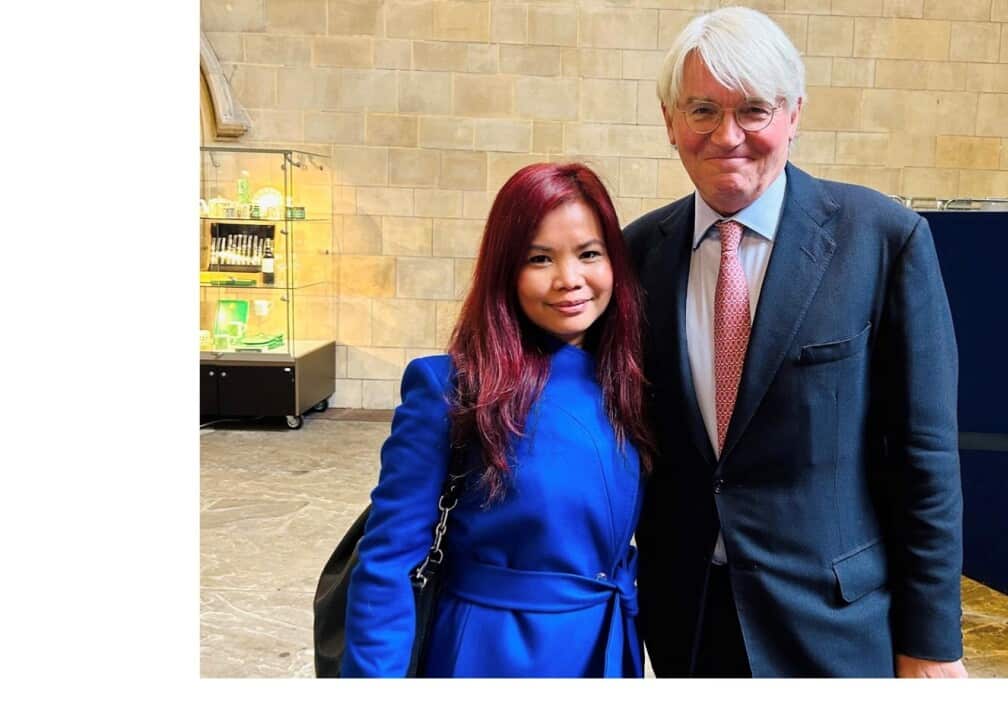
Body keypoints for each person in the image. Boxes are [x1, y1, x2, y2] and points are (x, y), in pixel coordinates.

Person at [624, 7, 966, 678]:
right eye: (702, 111)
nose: (728, 136)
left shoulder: (882, 240)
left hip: (832, 625)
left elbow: (924, 457)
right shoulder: (637, 255)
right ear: (669, 121)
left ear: (794, 114)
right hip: (685, 621)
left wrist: (931, 640)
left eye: (754, 110)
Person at [342, 163, 653, 677]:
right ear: (505, 270)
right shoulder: (451, 386)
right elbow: (388, 562)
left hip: (605, 646)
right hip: (494, 653)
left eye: (589, 254)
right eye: (539, 258)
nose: (569, 280)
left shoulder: (627, 379)